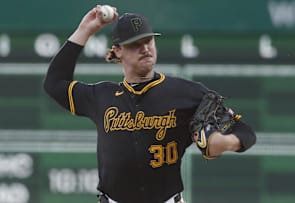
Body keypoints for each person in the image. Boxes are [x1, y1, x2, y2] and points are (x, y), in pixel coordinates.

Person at [43, 5, 256, 203]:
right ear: (117, 51)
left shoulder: (185, 93)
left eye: (148, 41)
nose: (145, 48)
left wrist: (226, 142)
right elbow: (54, 83)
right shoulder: (100, 96)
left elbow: (246, 132)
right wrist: (85, 30)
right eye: (135, 44)